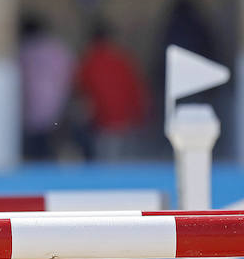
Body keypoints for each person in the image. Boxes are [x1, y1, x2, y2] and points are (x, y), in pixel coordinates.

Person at [72, 21, 149, 161]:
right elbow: (137, 91)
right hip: (125, 122)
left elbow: (80, 93)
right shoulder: (122, 59)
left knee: (105, 165)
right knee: (125, 165)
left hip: (103, 123)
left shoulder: (89, 61)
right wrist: (140, 117)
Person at [17, 12, 76, 160]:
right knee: (50, 149)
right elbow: (69, 73)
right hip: (57, 104)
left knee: (33, 152)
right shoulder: (58, 48)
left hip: (30, 107)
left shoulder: (24, 50)